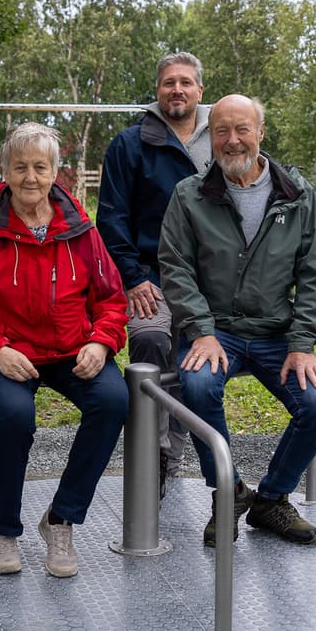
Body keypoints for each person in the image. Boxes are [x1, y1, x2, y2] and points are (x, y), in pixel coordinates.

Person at [0, 123, 129, 578]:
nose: (30, 177)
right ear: (5, 171)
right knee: (15, 418)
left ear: (54, 172)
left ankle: (61, 519)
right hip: (11, 352)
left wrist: (101, 341)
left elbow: (111, 298)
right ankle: (4, 530)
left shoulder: (79, 229)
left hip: (72, 349)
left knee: (113, 401)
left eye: (40, 167)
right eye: (20, 167)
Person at [158, 94, 316, 548]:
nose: (232, 140)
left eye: (242, 129)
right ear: (210, 137)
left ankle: (271, 499)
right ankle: (230, 492)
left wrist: (302, 344)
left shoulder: (296, 195)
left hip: (276, 331)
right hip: (215, 329)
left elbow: (314, 275)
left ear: (260, 132)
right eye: (221, 131)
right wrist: (201, 331)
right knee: (197, 385)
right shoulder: (190, 195)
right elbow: (176, 269)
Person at [97, 52, 210, 493]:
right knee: (149, 339)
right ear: (157, 90)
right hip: (150, 276)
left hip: (208, 282)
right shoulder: (130, 145)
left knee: (192, 362)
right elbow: (112, 218)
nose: (176, 90)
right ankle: (153, 455)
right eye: (168, 82)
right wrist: (133, 277)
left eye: (185, 82)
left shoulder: (221, 140)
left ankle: (171, 457)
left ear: (200, 90)